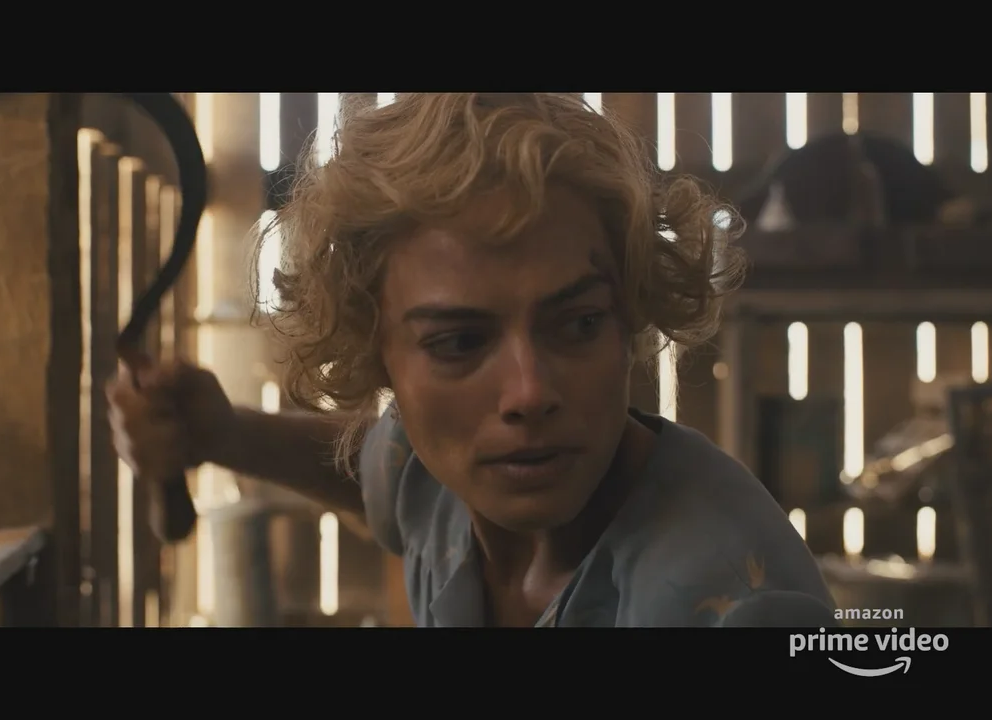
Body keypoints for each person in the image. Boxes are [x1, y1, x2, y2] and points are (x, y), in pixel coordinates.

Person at [107, 93, 838, 627]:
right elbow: (384, 477)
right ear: (378, 354)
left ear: (629, 315)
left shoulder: (730, 604)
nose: (528, 391)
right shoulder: (437, 470)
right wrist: (225, 435)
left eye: (579, 324)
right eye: (459, 343)